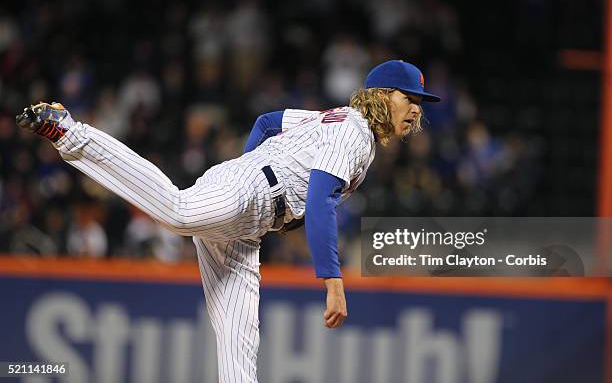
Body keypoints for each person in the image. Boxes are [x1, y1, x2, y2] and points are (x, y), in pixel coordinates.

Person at [16, 59, 441, 383]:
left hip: (249, 224)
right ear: (382, 95)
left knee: (239, 356)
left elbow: (268, 122)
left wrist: (252, 163)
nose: (416, 111)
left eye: (419, 104)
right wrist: (333, 282)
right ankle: (71, 132)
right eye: (410, 99)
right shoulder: (354, 133)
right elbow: (318, 200)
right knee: (179, 212)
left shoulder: (334, 120)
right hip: (249, 190)